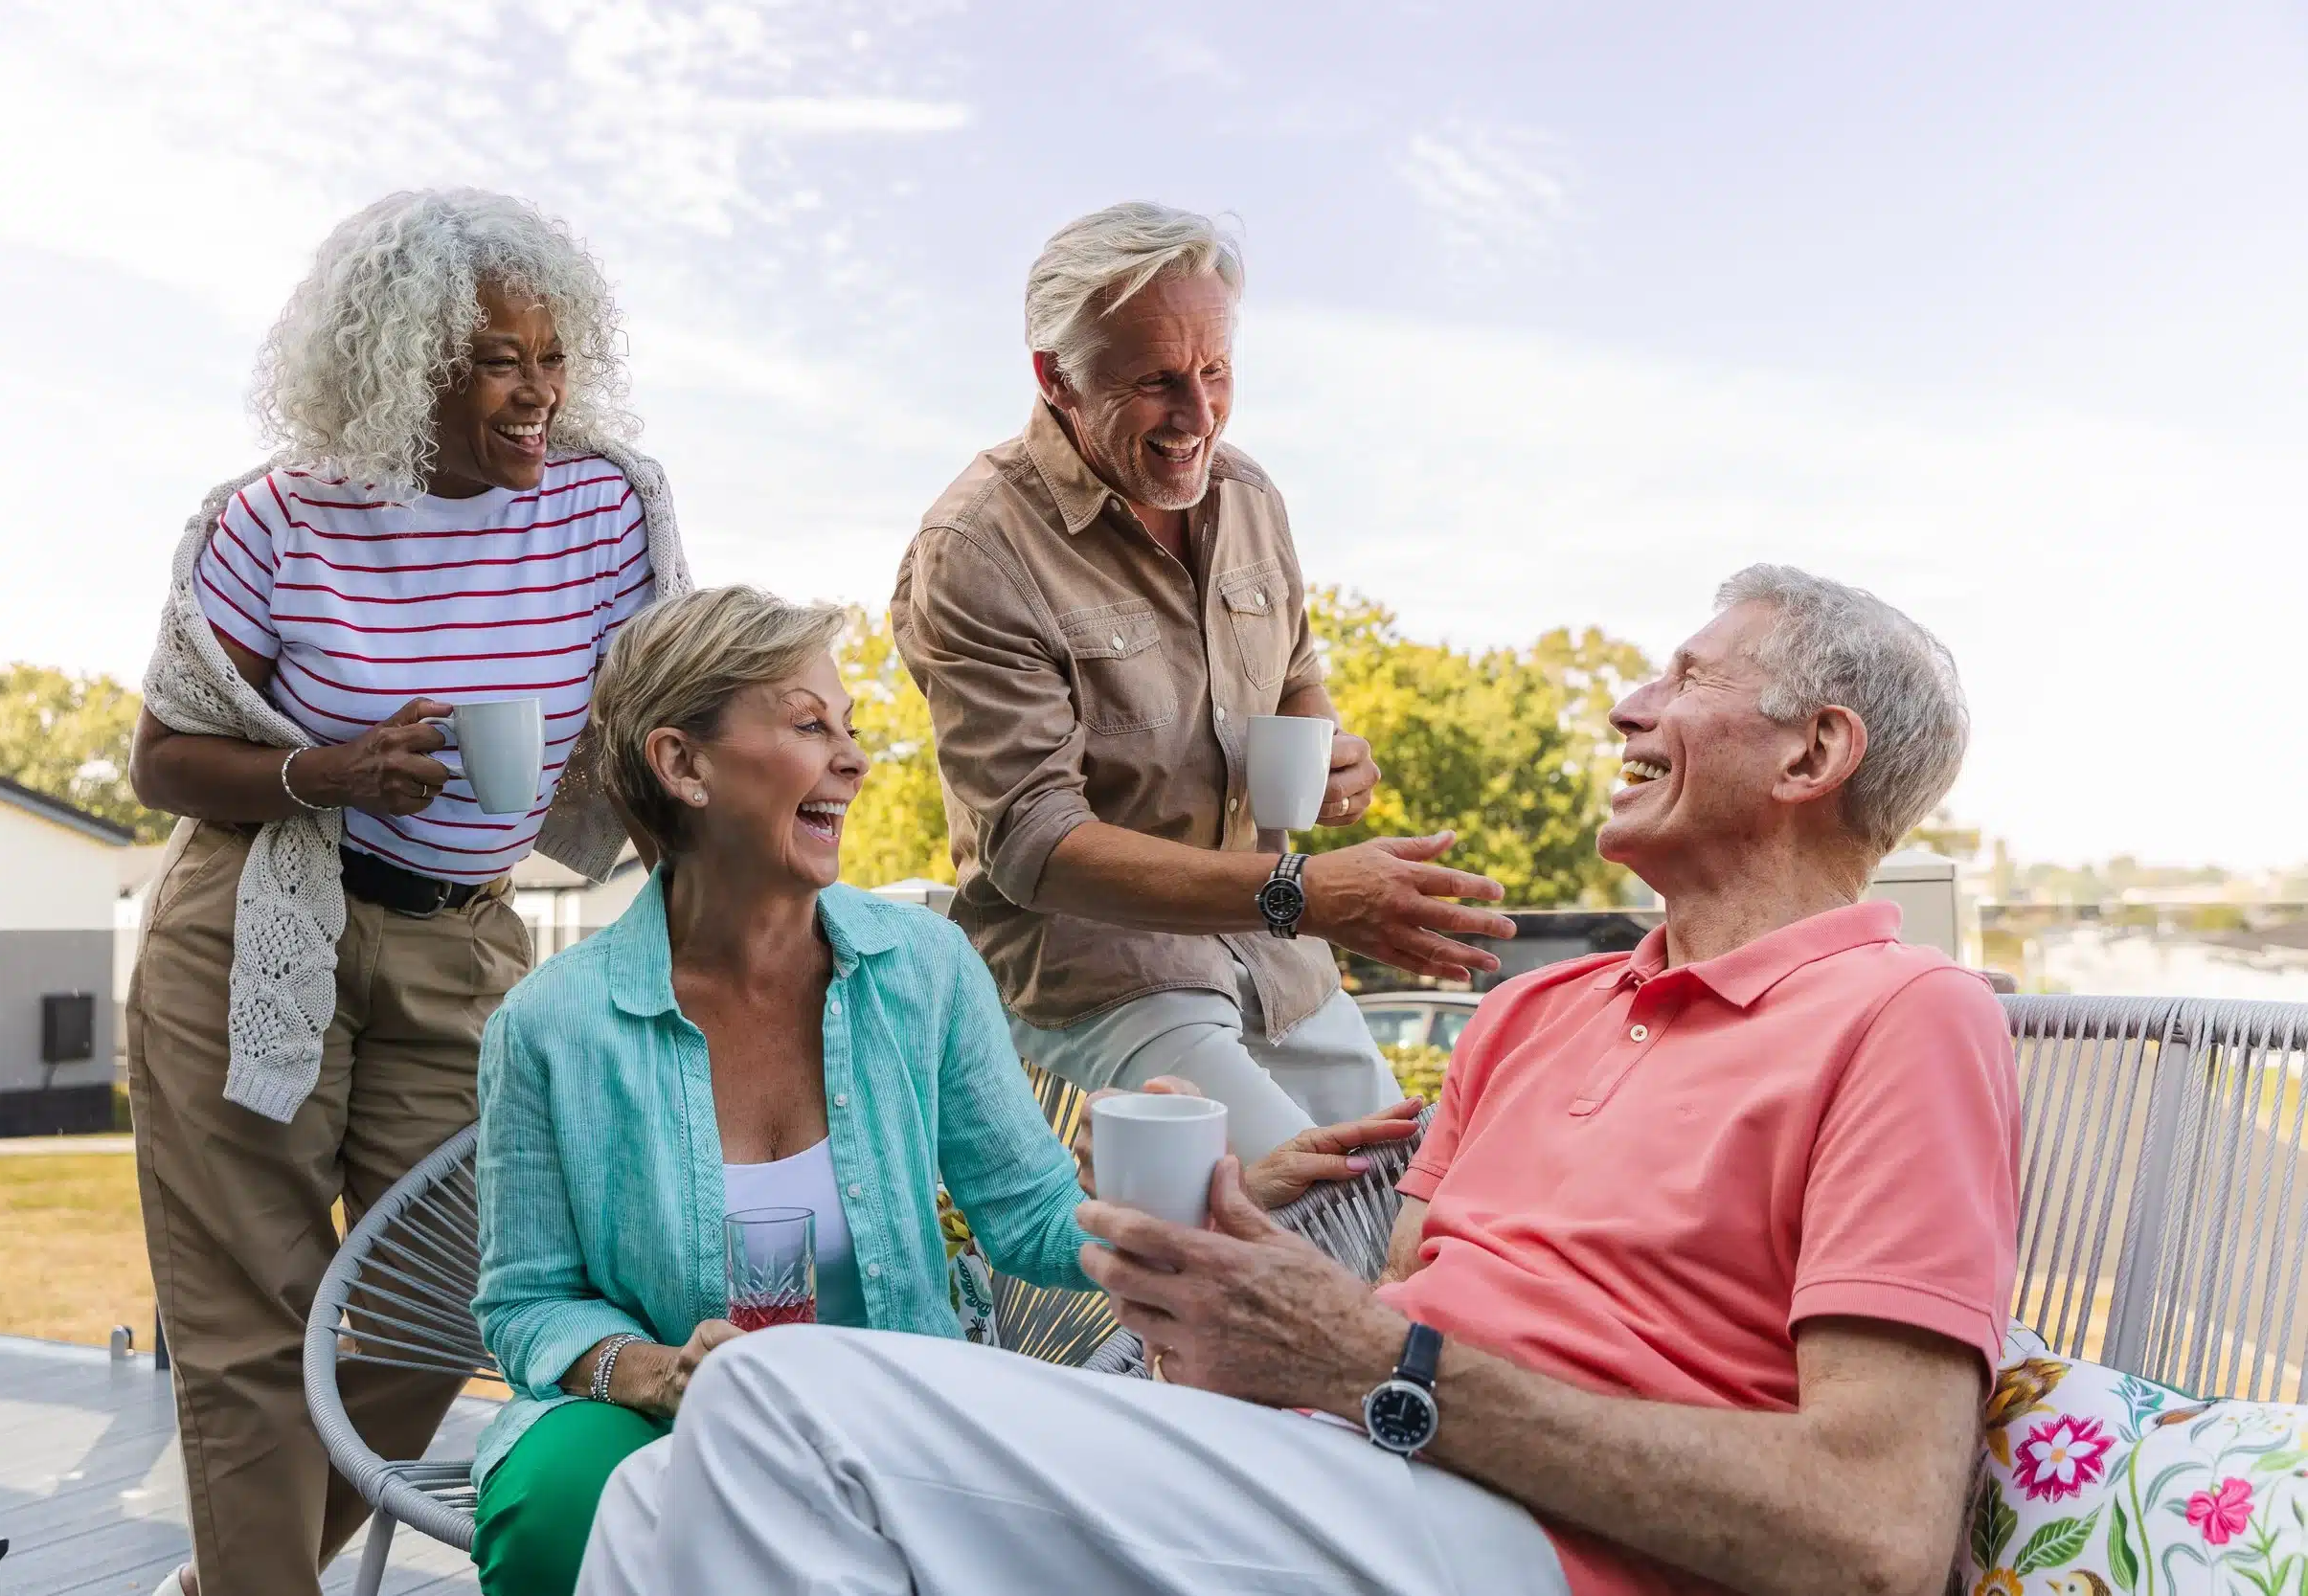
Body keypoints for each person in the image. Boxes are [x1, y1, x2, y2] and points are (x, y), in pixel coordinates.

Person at [579, 565, 2022, 1596]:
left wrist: (1374, 1364)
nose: (1630, 703)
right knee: (660, 1484)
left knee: (775, 1398)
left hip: (1543, 1541)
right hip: (1344, 1474)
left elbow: (1876, 1536)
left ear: (1815, 752)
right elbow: (1396, 1321)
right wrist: (1241, 1324)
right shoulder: (1533, 1014)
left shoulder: (1907, 1016)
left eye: (1689, 678)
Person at [465, 583, 1417, 1596]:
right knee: (557, 1501)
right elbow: (525, 1303)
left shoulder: (922, 967)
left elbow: (1032, 1222)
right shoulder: (551, 1022)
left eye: (850, 725)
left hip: (899, 1400)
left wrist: (1203, 1198)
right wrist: (660, 1371)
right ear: (681, 763)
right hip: (647, 1412)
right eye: (806, 723)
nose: (855, 758)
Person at [124, 189, 690, 1596]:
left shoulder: (609, 506)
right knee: (251, 1317)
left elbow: (658, 721)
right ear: (403, 361)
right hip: (261, 918)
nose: (537, 392)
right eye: (500, 358)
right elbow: (160, 758)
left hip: (464, 931)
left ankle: (237, 1572)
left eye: (551, 356)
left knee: (442, 1300)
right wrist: (328, 767)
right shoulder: (272, 520)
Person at [893, 202, 1520, 1161]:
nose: (1197, 416)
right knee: (1299, 1219)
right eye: (1154, 381)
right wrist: (1302, 890)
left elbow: (1296, 670)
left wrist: (1328, 753)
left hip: (1279, 964)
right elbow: (1032, 844)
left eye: (1215, 370)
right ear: (1054, 377)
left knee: (1417, 1203)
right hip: (1100, 975)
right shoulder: (975, 547)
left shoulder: (1248, 496)